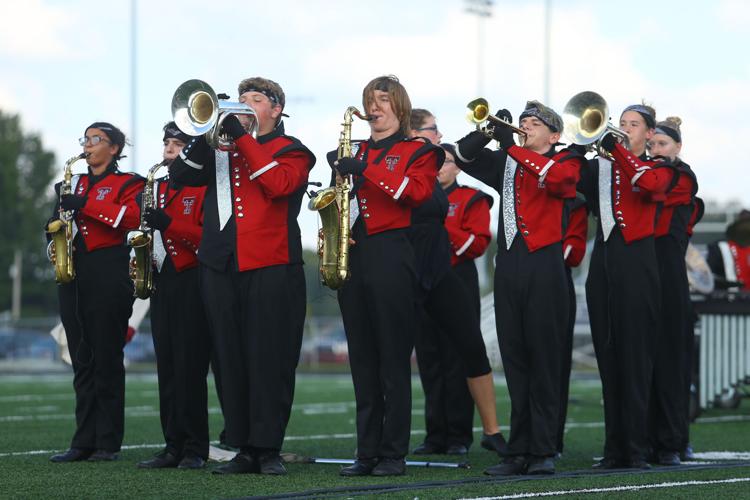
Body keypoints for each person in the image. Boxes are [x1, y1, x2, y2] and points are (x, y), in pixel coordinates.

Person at [170, 77, 316, 475]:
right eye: (240, 99)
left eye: (255, 100)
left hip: (271, 265)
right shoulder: (222, 151)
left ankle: (267, 449)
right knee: (229, 359)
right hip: (219, 266)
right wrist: (207, 132)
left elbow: (277, 184)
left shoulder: (294, 150)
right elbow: (180, 177)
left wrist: (241, 137)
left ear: (276, 109)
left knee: (269, 358)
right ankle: (242, 445)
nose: (244, 105)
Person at [454, 101, 582, 475]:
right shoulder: (507, 161)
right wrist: (488, 132)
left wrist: (511, 145)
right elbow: (461, 157)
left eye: (534, 123)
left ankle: (542, 449)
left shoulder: (568, 159)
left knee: (544, 359)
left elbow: (560, 183)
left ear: (554, 135)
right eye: (523, 121)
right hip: (509, 266)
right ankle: (518, 450)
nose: (526, 126)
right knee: (516, 360)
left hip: (545, 265)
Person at [329, 76, 442, 477]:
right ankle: (367, 452)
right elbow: (335, 199)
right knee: (363, 361)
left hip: (393, 254)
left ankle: (393, 454)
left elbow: (415, 194)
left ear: (398, 105)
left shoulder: (418, 151)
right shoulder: (352, 148)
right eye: (368, 101)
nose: (373, 107)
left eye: (381, 100)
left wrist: (365, 168)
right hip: (353, 255)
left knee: (393, 360)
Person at [578, 103, 674, 470]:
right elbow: (569, 180)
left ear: (649, 134)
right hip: (603, 261)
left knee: (635, 358)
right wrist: (581, 144)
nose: (625, 129)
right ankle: (615, 447)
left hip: (637, 261)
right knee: (608, 357)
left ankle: (637, 448)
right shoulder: (601, 166)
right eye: (621, 124)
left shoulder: (659, 167)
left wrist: (617, 150)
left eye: (634, 125)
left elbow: (650, 187)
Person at [407, 110, 506, 457]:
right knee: (430, 360)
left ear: (457, 167)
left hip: (458, 278)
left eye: (447, 162)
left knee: (458, 358)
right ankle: (435, 434)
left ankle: (459, 436)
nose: (442, 167)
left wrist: (437, 221)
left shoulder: (472, 199)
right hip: (423, 277)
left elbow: (474, 243)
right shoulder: (418, 192)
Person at [47, 122, 145, 462]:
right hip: (73, 275)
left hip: (108, 272)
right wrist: (54, 242)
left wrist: (84, 204)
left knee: (106, 358)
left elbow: (130, 218)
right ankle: (82, 439)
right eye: (85, 139)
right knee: (81, 359)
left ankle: (107, 441)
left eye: (95, 139)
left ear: (114, 148)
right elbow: (54, 225)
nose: (87, 145)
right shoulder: (68, 184)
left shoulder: (130, 183)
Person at [136, 122, 211, 469]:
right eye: (167, 141)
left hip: (191, 280)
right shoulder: (157, 188)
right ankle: (172, 445)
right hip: (162, 281)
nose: (169, 147)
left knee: (190, 367)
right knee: (166, 367)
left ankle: (195, 447)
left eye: (178, 143)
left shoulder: (203, 188)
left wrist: (168, 224)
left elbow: (205, 239)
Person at [647, 116, 699, 466]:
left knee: (671, 363)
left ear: (678, 147)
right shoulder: (646, 173)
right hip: (644, 275)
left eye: (662, 145)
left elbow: (657, 191)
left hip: (670, 280)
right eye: (651, 145)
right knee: (645, 362)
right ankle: (644, 438)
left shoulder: (682, 177)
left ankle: (674, 440)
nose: (655, 151)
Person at [557, 195, 588, 455]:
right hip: (522, 277)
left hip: (555, 278)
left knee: (554, 365)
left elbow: (574, 252)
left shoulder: (574, 204)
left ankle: (550, 439)